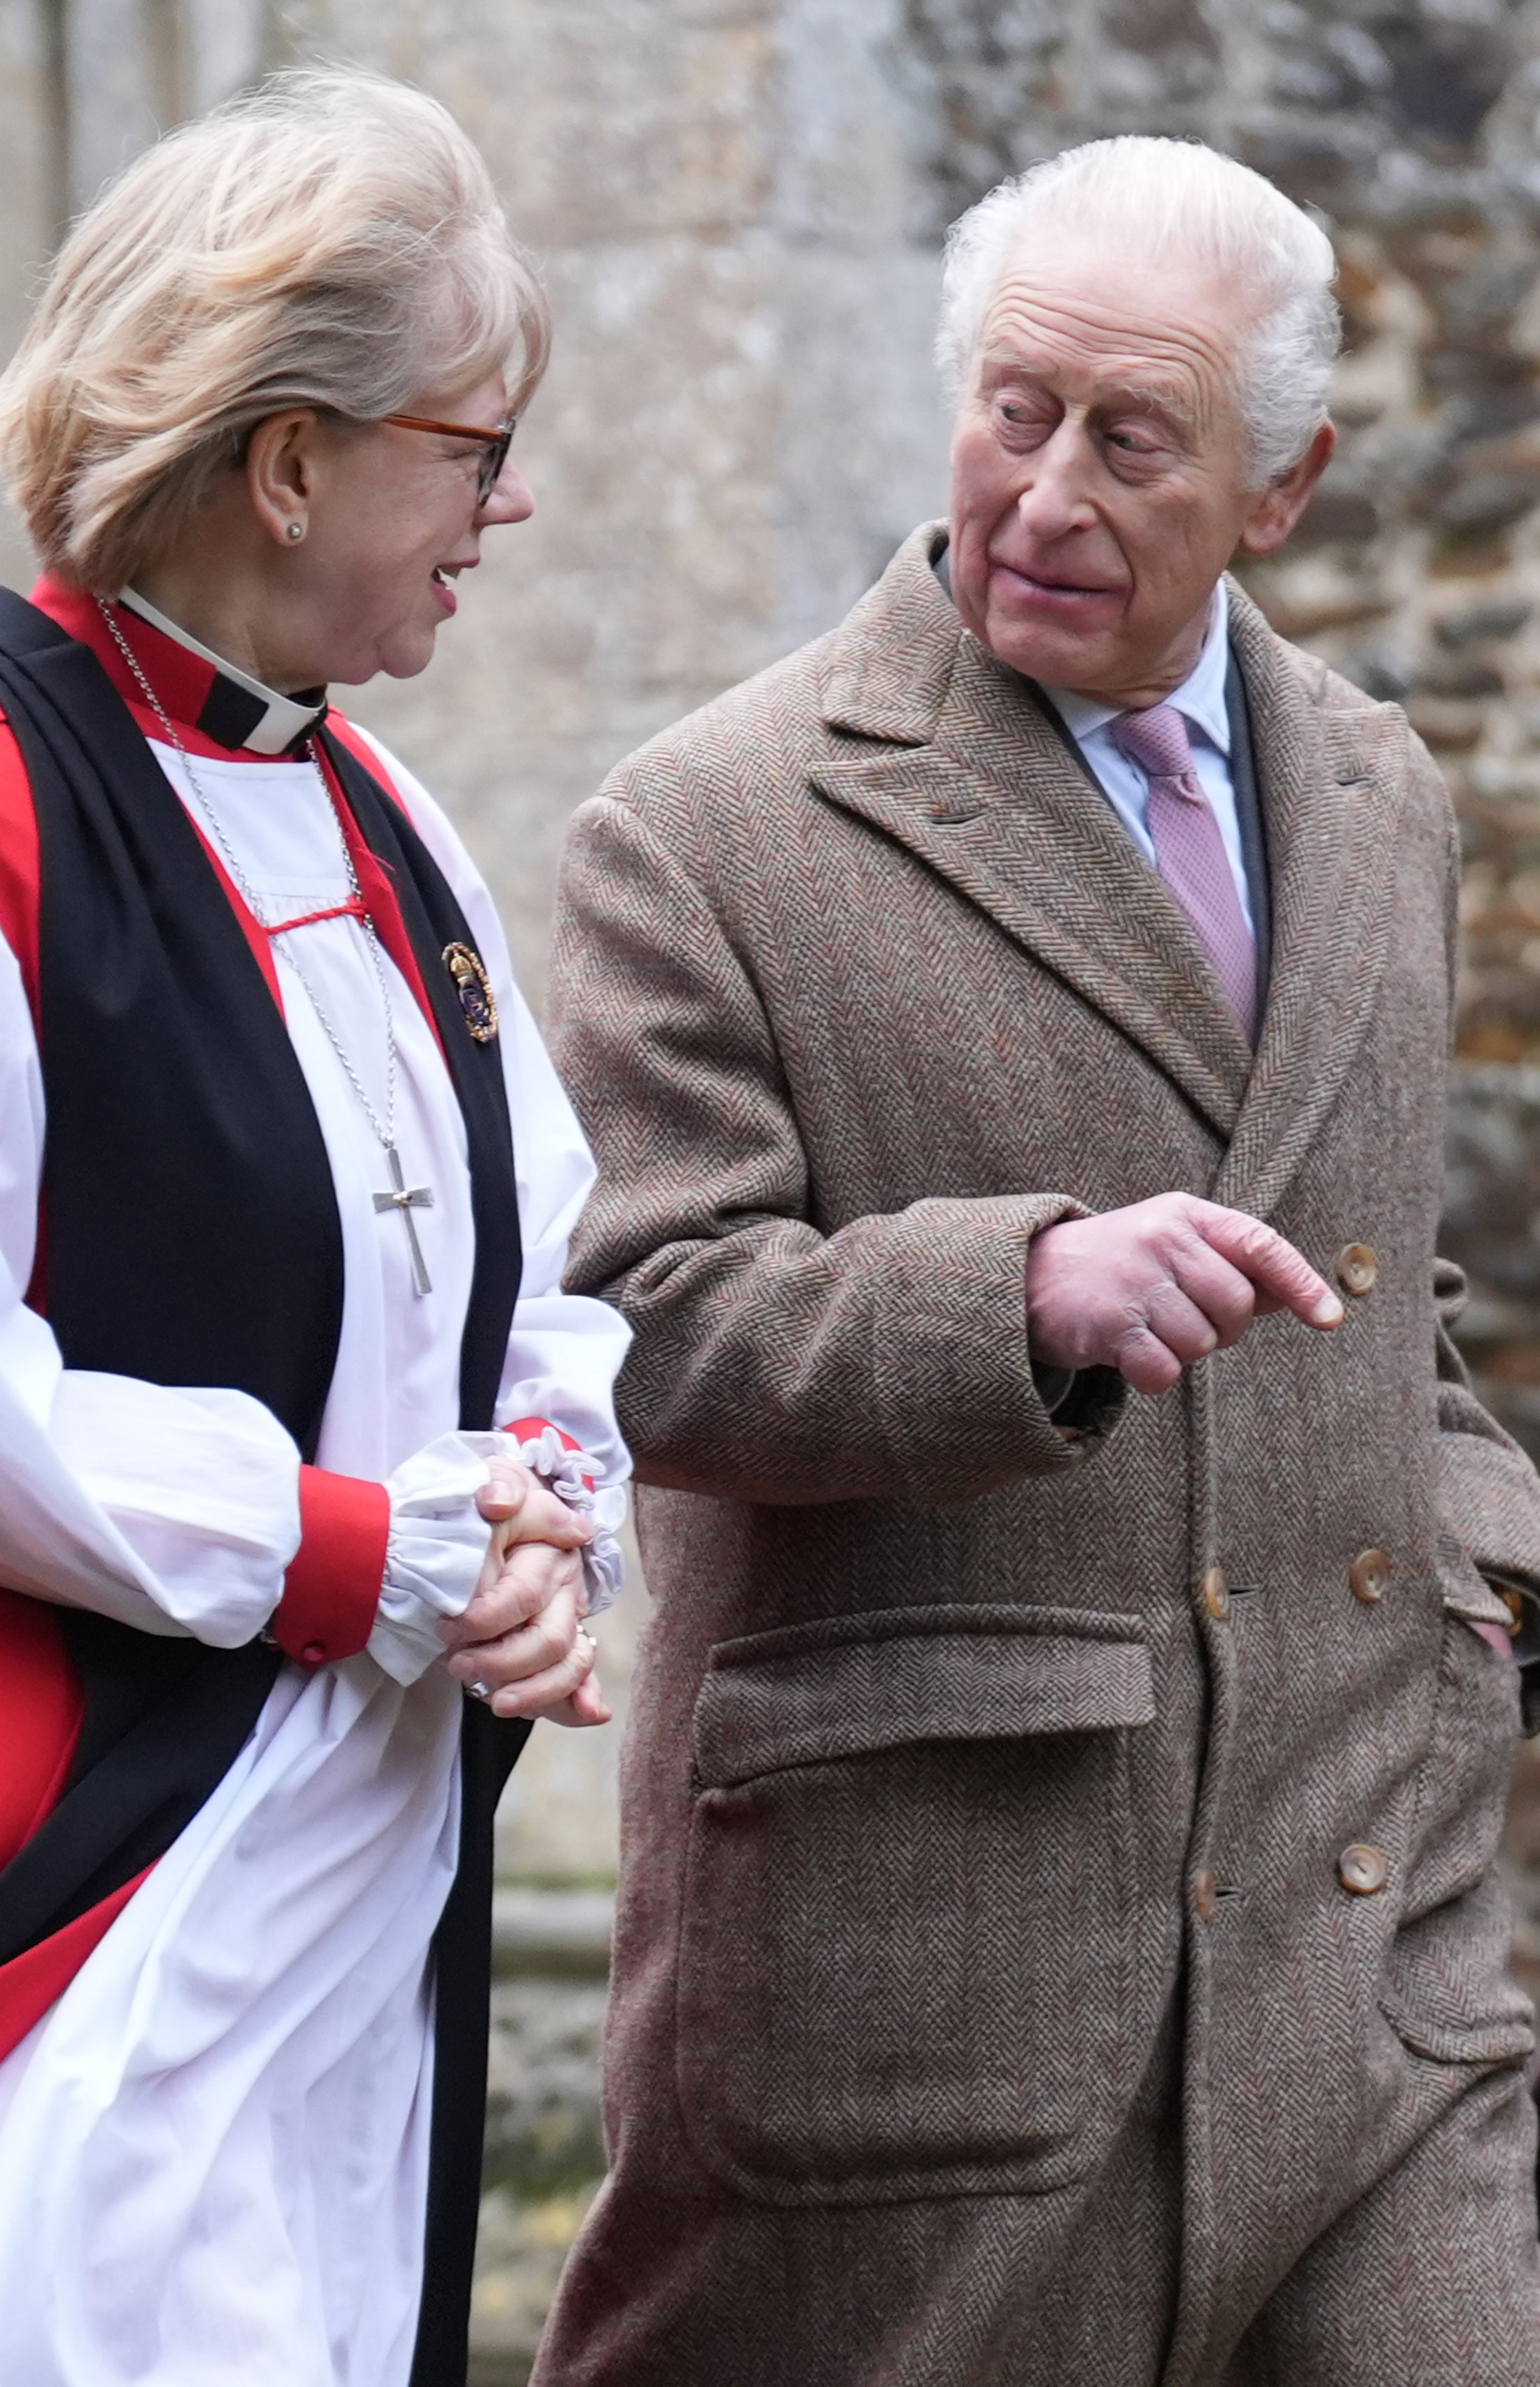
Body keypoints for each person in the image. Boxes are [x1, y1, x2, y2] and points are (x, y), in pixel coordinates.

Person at [537, 137, 1540, 2385]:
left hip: (1382, 1951)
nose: (1048, 492)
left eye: (1133, 438)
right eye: (1015, 410)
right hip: (946, 1995)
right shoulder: (706, 828)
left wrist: (1491, 1562)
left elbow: (1391, 1293)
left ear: (1282, 488)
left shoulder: (1380, 794)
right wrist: (1014, 1298)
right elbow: (632, 1338)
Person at [0, 68, 629, 2387]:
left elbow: (546, 1254)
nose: (507, 503)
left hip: (374, 1865)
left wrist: (551, 1509)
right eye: (473, 440)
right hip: (97, 1883)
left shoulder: (385, 808)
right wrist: (360, 1555)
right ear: (291, 453)